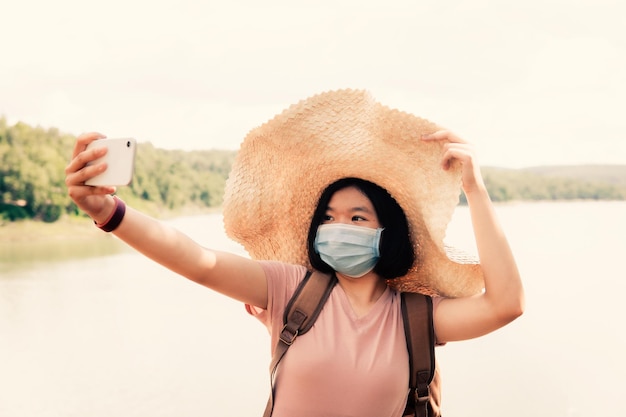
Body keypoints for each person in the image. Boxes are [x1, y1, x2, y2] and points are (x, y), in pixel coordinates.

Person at [65, 89, 524, 417]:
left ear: (390, 233)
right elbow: (197, 261)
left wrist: (475, 189)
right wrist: (108, 211)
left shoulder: (416, 317)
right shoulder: (289, 290)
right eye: (328, 216)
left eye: (357, 218)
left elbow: (506, 304)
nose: (338, 227)